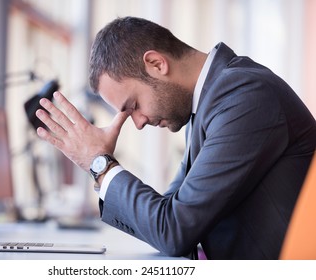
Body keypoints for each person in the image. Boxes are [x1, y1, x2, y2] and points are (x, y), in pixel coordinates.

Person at [35, 16, 316, 259]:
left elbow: (173, 230)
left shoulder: (244, 97)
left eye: (133, 105)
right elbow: (167, 216)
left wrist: (100, 164)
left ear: (156, 63)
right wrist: (101, 165)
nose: (139, 122)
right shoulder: (209, 103)